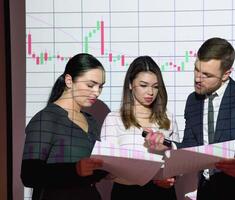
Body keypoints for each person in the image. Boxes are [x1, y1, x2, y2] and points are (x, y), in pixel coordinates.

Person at [146, 37, 235, 200]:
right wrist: (166, 144)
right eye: (196, 69)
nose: (198, 78)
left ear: (226, 74)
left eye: (206, 74)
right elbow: (192, 147)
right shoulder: (193, 101)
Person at [21, 53, 107, 200]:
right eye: (90, 85)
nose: (96, 92)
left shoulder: (91, 122)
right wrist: (74, 170)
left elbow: (92, 170)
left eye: (100, 87)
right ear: (69, 81)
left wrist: (111, 169)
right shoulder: (46, 118)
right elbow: (29, 175)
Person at [93, 56, 179, 200]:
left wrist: (171, 178)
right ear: (131, 84)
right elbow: (106, 169)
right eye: (144, 85)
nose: (150, 92)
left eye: (156, 86)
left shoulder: (168, 118)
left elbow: (177, 164)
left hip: (163, 193)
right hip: (127, 193)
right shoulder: (114, 119)